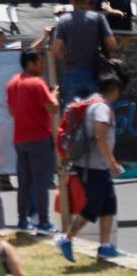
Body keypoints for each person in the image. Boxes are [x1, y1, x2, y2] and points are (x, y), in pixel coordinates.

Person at [55, 72, 128, 262]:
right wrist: (112, 163)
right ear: (114, 90)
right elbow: (100, 138)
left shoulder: (96, 103)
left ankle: (105, 246)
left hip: (98, 166)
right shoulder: (102, 108)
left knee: (108, 206)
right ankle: (66, 238)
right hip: (92, 167)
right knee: (93, 207)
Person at [5, 50, 59, 234]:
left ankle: (22, 221)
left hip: (19, 139)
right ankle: (43, 221)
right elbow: (53, 108)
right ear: (30, 63)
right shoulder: (37, 83)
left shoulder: (12, 83)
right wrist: (55, 95)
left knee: (24, 182)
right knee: (41, 182)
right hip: (39, 138)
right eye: (40, 62)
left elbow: (11, 111)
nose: (43, 66)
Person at [51, 0, 118, 101]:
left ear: (71, 0)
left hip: (71, 73)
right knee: (95, 111)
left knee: (72, 114)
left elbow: (56, 51)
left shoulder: (63, 21)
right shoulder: (98, 18)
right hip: (95, 73)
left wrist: (67, 56)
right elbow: (112, 45)